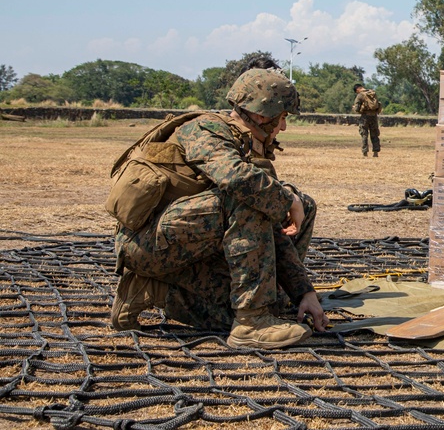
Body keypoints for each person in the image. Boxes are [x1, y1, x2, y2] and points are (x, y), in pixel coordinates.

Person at [109, 68, 329, 349]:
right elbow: (236, 179)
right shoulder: (204, 129)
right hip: (146, 245)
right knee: (251, 195)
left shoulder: (245, 142)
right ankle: (251, 322)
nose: (283, 127)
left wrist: (302, 292)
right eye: (282, 117)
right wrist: (287, 199)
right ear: (263, 114)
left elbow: (273, 229)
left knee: (277, 307)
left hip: (185, 244)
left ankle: (155, 290)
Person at [352, 82, 382, 157]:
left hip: (365, 117)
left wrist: (355, 109)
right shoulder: (373, 93)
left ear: (357, 89)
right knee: (374, 134)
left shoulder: (360, 95)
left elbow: (357, 108)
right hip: (374, 116)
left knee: (364, 134)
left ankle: (365, 152)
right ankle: (375, 152)